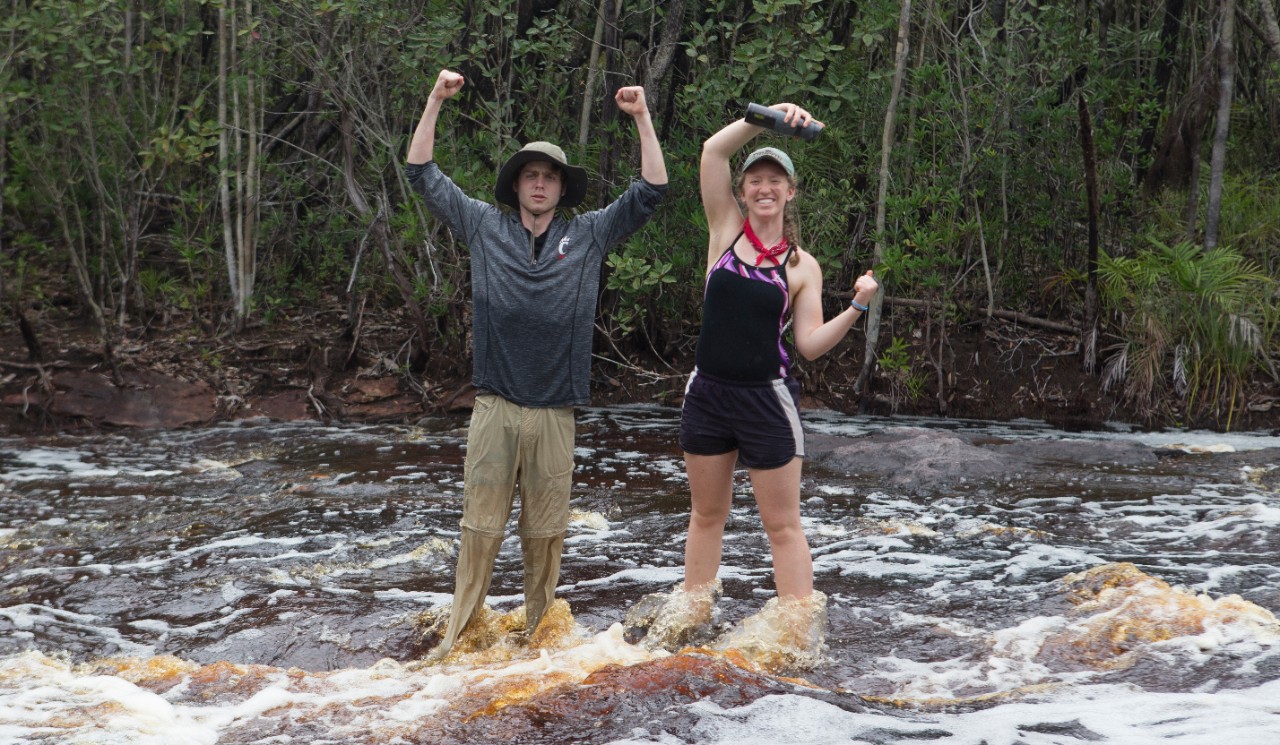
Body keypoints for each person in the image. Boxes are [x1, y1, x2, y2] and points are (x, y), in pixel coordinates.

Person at [405, 69, 668, 659]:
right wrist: (435, 100)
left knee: (545, 536)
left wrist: (643, 117)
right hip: (495, 406)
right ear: (517, 184)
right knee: (480, 530)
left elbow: (651, 191)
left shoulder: (591, 235)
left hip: (555, 411)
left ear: (561, 187)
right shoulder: (482, 225)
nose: (541, 183)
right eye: (532, 175)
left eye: (550, 176)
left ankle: (535, 647)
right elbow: (421, 173)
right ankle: (460, 637)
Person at [677, 103, 879, 611]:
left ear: (791, 193)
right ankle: (693, 611)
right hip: (706, 394)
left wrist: (857, 305)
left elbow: (809, 345)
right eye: (755, 180)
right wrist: (767, 119)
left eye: (776, 181)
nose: (764, 188)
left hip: (766, 400)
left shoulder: (801, 265)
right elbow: (713, 150)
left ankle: (795, 624)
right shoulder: (723, 231)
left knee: (783, 525)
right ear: (742, 192)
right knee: (706, 516)